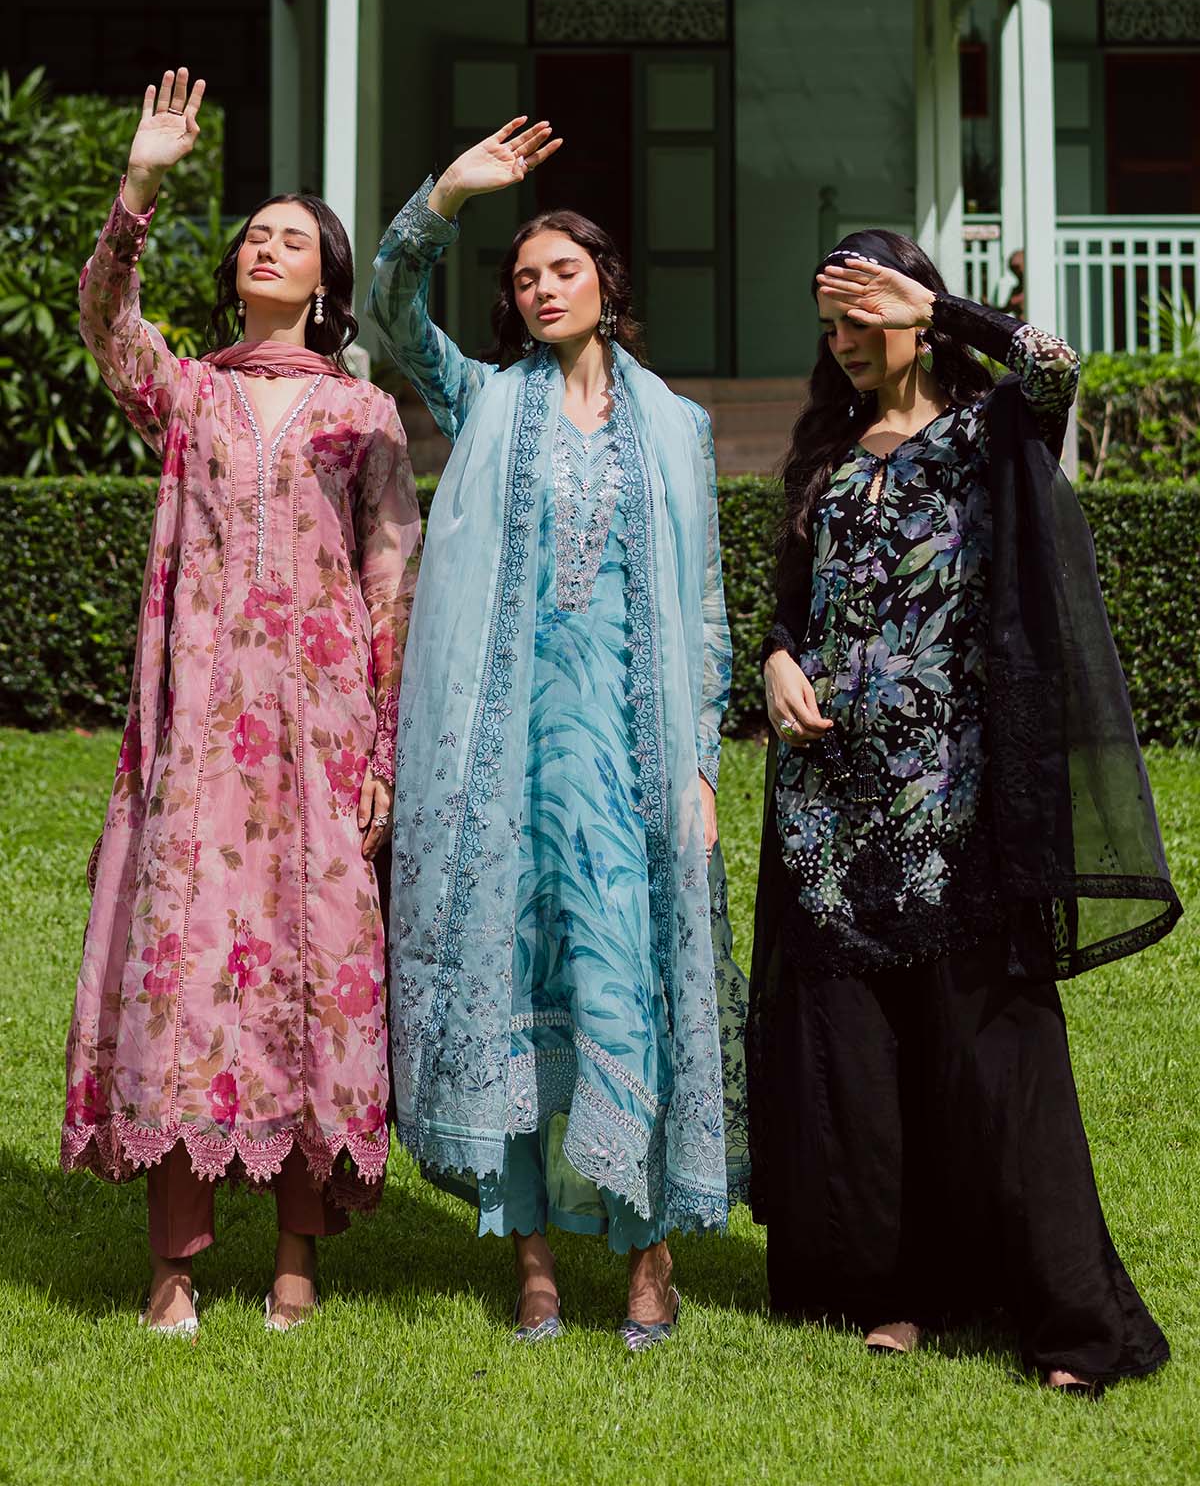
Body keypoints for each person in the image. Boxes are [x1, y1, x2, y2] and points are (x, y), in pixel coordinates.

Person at [748, 232, 1180, 1394]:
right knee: (861, 1061)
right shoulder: (826, 457)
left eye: (863, 317)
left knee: (994, 1056)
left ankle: (1075, 1325)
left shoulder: (988, 433)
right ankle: (892, 1289)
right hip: (829, 809)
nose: (842, 343)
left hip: (957, 800)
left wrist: (944, 307)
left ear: (915, 315)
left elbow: (1055, 365)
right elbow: (794, 608)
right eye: (829, 325)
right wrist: (778, 661)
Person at [368, 118, 748, 1349]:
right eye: (524, 276)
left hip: (629, 762)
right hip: (500, 762)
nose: (541, 289)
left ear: (605, 283)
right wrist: (448, 195)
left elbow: (706, 610)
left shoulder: (677, 427)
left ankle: (647, 1255)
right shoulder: (483, 400)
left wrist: (700, 764)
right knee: (516, 988)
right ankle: (530, 1256)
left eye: (563, 270)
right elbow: (386, 310)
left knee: (624, 981)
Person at [62, 68, 422, 1333]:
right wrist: (140, 184)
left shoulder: (363, 411)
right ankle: (172, 1263)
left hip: (320, 735)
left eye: (292, 238)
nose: (267, 246)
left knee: (315, 968)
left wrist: (383, 751)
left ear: (324, 282)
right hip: (202, 727)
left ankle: (297, 1256)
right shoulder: (190, 392)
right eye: (255, 235)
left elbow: (392, 585)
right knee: (189, 968)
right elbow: (106, 320)